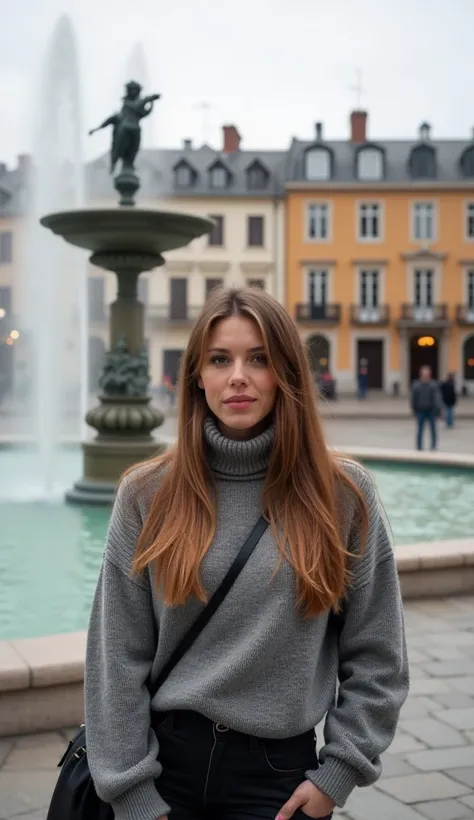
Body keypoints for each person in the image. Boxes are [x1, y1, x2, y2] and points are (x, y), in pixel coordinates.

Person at [85, 287, 408, 820]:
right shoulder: (146, 492)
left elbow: (378, 654)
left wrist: (339, 772)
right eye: (220, 359)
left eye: (258, 358)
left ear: (287, 372)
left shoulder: (343, 495)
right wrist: (132, 792)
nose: (238, 375)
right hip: (165, 769)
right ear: (197, 377)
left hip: (279, 780)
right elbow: (115, 656)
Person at [411, 365, 443, 451]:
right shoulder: (416, 385)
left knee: (433, 430)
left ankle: (433, 446)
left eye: (427, 374)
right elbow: (413, 398)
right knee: (420, 430)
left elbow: (437, 398)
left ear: (429, 374)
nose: (426, 375)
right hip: (421, 410)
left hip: (431, 411)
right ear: (421, 374)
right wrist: (414, 410)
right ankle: (419, 447)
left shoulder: (433, 385)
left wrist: (439, 410)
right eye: (424, 373)